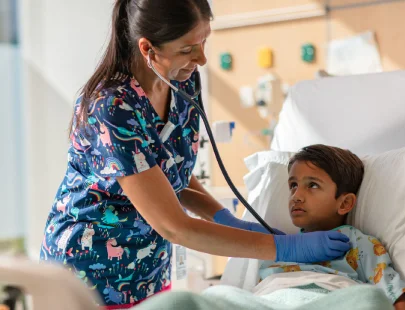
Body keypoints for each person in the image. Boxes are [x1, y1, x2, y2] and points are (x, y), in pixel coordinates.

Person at [39, 1, 350, 308]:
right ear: (148, 49)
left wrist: (222, 217)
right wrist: (284, 248)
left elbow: (170, 173)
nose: (201, 58)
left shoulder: (183, 83)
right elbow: (174, 226)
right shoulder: (111, 108)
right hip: (87, 276)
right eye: (188, 49)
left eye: (204, 41)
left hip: (148, 271)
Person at [257, 145, 405, 310]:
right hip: (275, 299)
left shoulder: (357, 243)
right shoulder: (279, 247)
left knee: (371, 297)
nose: (296, 196)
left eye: (312, 185)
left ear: (345, 203)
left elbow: (395, 296)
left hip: (333, 299)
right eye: (293, 185)